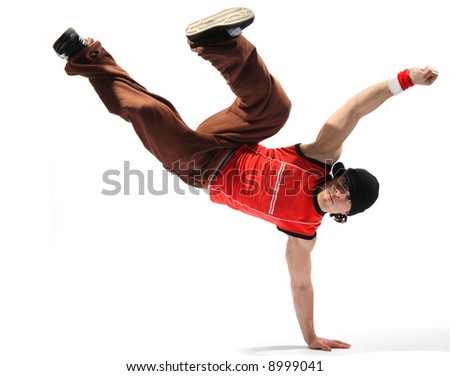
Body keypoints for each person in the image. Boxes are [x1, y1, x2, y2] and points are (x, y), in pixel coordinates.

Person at [53, 7, 438, 351]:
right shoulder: (319, 159)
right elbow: (354, 110)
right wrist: (405, 79)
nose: (338, 192)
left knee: (150, 112)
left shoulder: (303, 229)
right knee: (277, 108)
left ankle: (82, 55)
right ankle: (216, 41)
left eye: (346, 197)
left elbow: (301, 284)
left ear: (346, 212)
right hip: (235, 139)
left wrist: (310, 336)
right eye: (342, 183)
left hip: (202, 168)